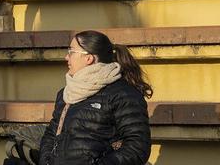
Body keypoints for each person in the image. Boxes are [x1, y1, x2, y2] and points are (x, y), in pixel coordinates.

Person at [29, 30, 152, 165]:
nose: (66, 57)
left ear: (89, 58)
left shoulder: (123, 94)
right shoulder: (66, 94)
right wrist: (47, 162)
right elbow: (51, 135)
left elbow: (137, 147)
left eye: (71, 52)